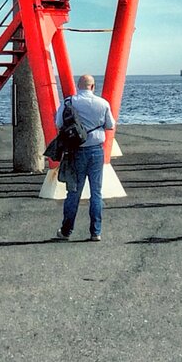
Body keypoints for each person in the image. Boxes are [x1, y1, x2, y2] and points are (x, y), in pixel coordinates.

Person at [54, 74, 116, 241]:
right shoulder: (102, 103)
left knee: (73, 192)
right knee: (96, 192)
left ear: (78, 86)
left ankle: (66, 231)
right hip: (96, 151)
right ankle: (95, 231)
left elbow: (59, 123)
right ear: (93, 86)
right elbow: (110, 125)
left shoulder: (69, 102)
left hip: (76, 151)